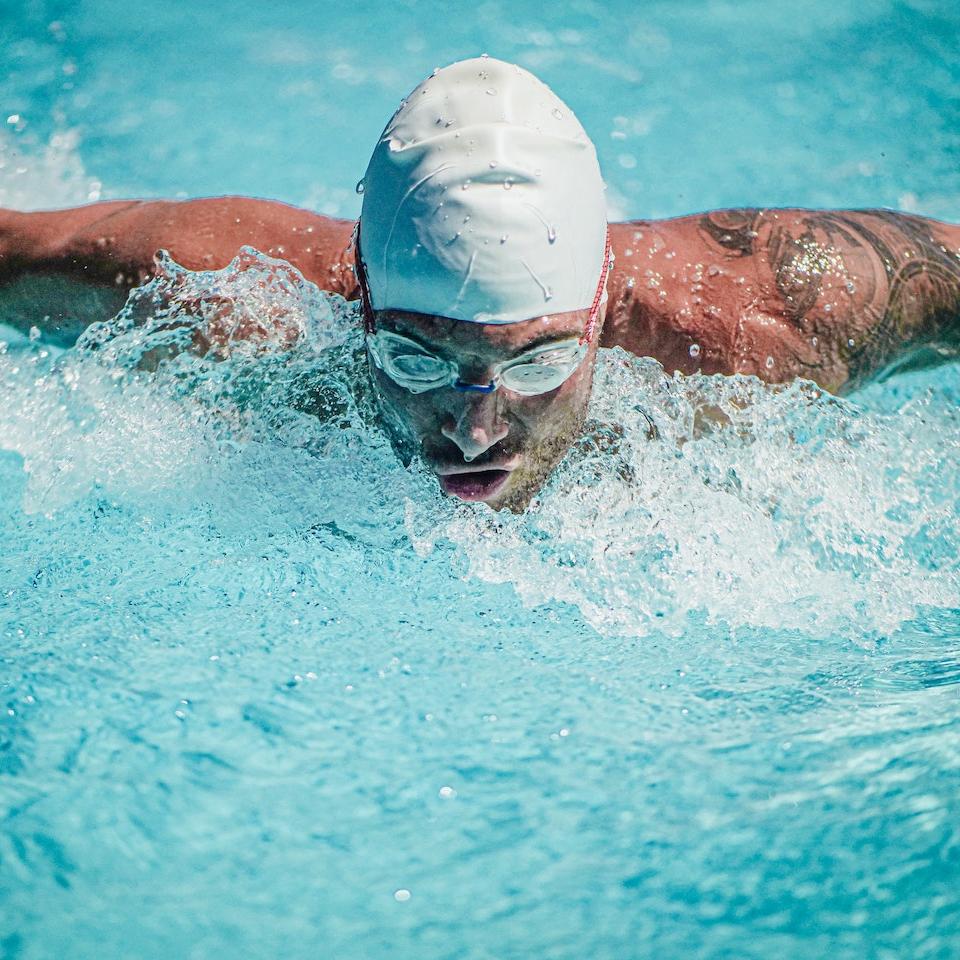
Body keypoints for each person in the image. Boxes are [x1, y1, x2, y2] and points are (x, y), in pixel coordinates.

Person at [1, 56, 958, 510]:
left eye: (537, 364)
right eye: (415, 361)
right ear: (361, 301)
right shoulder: (224, 298)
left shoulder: (767, 315)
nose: (474, 429)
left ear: (596, 315)